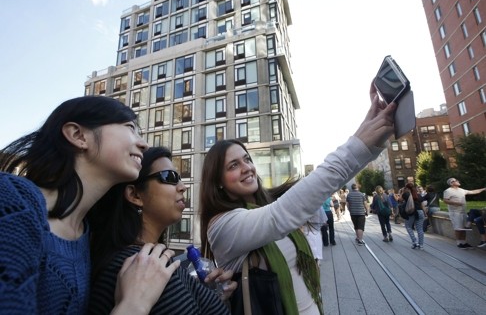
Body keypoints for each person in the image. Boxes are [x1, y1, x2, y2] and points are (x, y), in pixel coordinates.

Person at [198, 88, 396, 314]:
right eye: (233, 165)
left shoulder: (266, 205)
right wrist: (360, 142)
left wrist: (372, 133)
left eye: (247, 159)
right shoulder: (222, 226)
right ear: (218, 182)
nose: (247, 168)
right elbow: (280, 215)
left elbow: (320, 186)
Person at [0, 96, 179, 314]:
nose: (144, 143)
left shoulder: (87, 236)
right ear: (78, 135)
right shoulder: (12, 199)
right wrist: (134, 304)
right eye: (130, 127)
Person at [88, 147, 235, 314]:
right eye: (170, 177)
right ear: (135, 195)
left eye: (179, 178)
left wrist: (211, 297)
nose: (183, 186)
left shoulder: (150, 262)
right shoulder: (139, 267)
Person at [443, 178, 486, 249]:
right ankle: (459, 243)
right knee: (458, 228)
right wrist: (456, 203)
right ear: (451, 183)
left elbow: (473, 192)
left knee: (464, 228)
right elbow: (445, 200)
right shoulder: (448, 191)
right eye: (456, 180)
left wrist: (484, 189)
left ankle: (464, 242)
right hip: (455, 213)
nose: (458, 181)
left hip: (463, 212)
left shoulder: (461, 190)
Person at [401, 183, 426, 250]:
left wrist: (403, 191)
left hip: (411, 212)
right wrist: (425, 213)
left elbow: (400, 200)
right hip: (420, 212)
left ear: (406, 188)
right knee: (420, 229)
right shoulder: (418, 195)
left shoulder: (406, 194)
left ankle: (415, 242)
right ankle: (421, 245)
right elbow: (422, 205)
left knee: (408, 227)